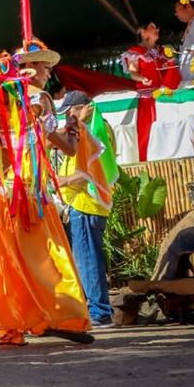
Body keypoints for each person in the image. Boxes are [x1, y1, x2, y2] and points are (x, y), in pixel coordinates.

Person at [0, 46, 93, 347]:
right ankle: (58, 316)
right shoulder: (37, 101)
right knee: (45, 257)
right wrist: (71, 131)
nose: (48, 73)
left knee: (7, 264)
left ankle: (12, 325)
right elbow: (64, 147)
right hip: (27, 196)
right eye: (44, 67)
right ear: (28, 68)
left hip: (0, 197)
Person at [55, 91, 118, 328]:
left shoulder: (90, 130)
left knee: (87, 260)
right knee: (88, 258)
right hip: (88, 203)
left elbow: (89, 169)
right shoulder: (96, 128)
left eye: (69, 112)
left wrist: (65, 180)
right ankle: (97, 309)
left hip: (85, 203)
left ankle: (99, 311)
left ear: (82, 108)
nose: (66, 118)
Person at [121, 22, 181, 91]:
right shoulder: (135, 52)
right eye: (152, 27)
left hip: (166, 92)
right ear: (143, 33)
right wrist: (142, 79)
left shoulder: (162, 50)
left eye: (157, 28)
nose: (157, 30)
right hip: (148, 92)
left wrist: (168, 65)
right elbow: (133, 72)